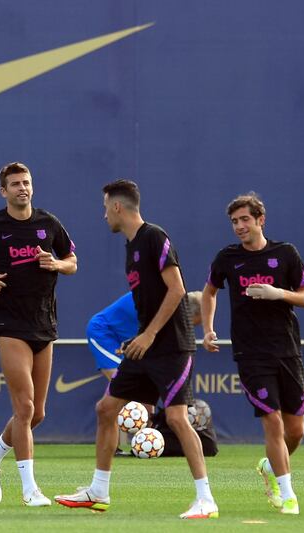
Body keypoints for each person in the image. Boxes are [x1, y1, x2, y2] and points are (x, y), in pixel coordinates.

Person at [55, 179, 218, 519]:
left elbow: (177, 291)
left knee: (175, 417)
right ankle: (98, 492)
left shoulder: (154, 237)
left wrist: (149, 335)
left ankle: (205, 499)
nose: (103, 216)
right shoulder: (131, 248)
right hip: (144, 347)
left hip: (172, 346)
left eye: (104, 208)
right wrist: (138, 338)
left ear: (117, 207)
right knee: (105, 408)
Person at [0, 162, 77, 507]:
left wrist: (56, 264)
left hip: (44, 324)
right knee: (23, 407)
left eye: (26, 182)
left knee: (37, 414)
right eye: (15, 184)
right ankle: (29, 489)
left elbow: (72, 261)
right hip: (10, 325)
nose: (22, 188)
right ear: (3, 191)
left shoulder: (48, 224)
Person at [201, 192, 304, 515]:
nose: (239, 226)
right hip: (251, 353)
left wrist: (277, 293)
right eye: (234, 221)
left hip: (288, 349)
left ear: (260, 220)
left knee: (296, 431)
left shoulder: (285, 253)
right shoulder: (228, 258)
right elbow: (209, 292)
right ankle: (288, 495)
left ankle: (270, 465)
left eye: (245, 219)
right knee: (272, 423)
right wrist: (208, 329)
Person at [88, 291, 203, 454]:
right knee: (120, 392)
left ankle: (145, 443)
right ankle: (113, 447)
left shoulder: (169, 306)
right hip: (103, 334)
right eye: (193, 323)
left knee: (145, 396)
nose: (190, 327)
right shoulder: (159, 303)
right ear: (188, 313)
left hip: (131, 339)